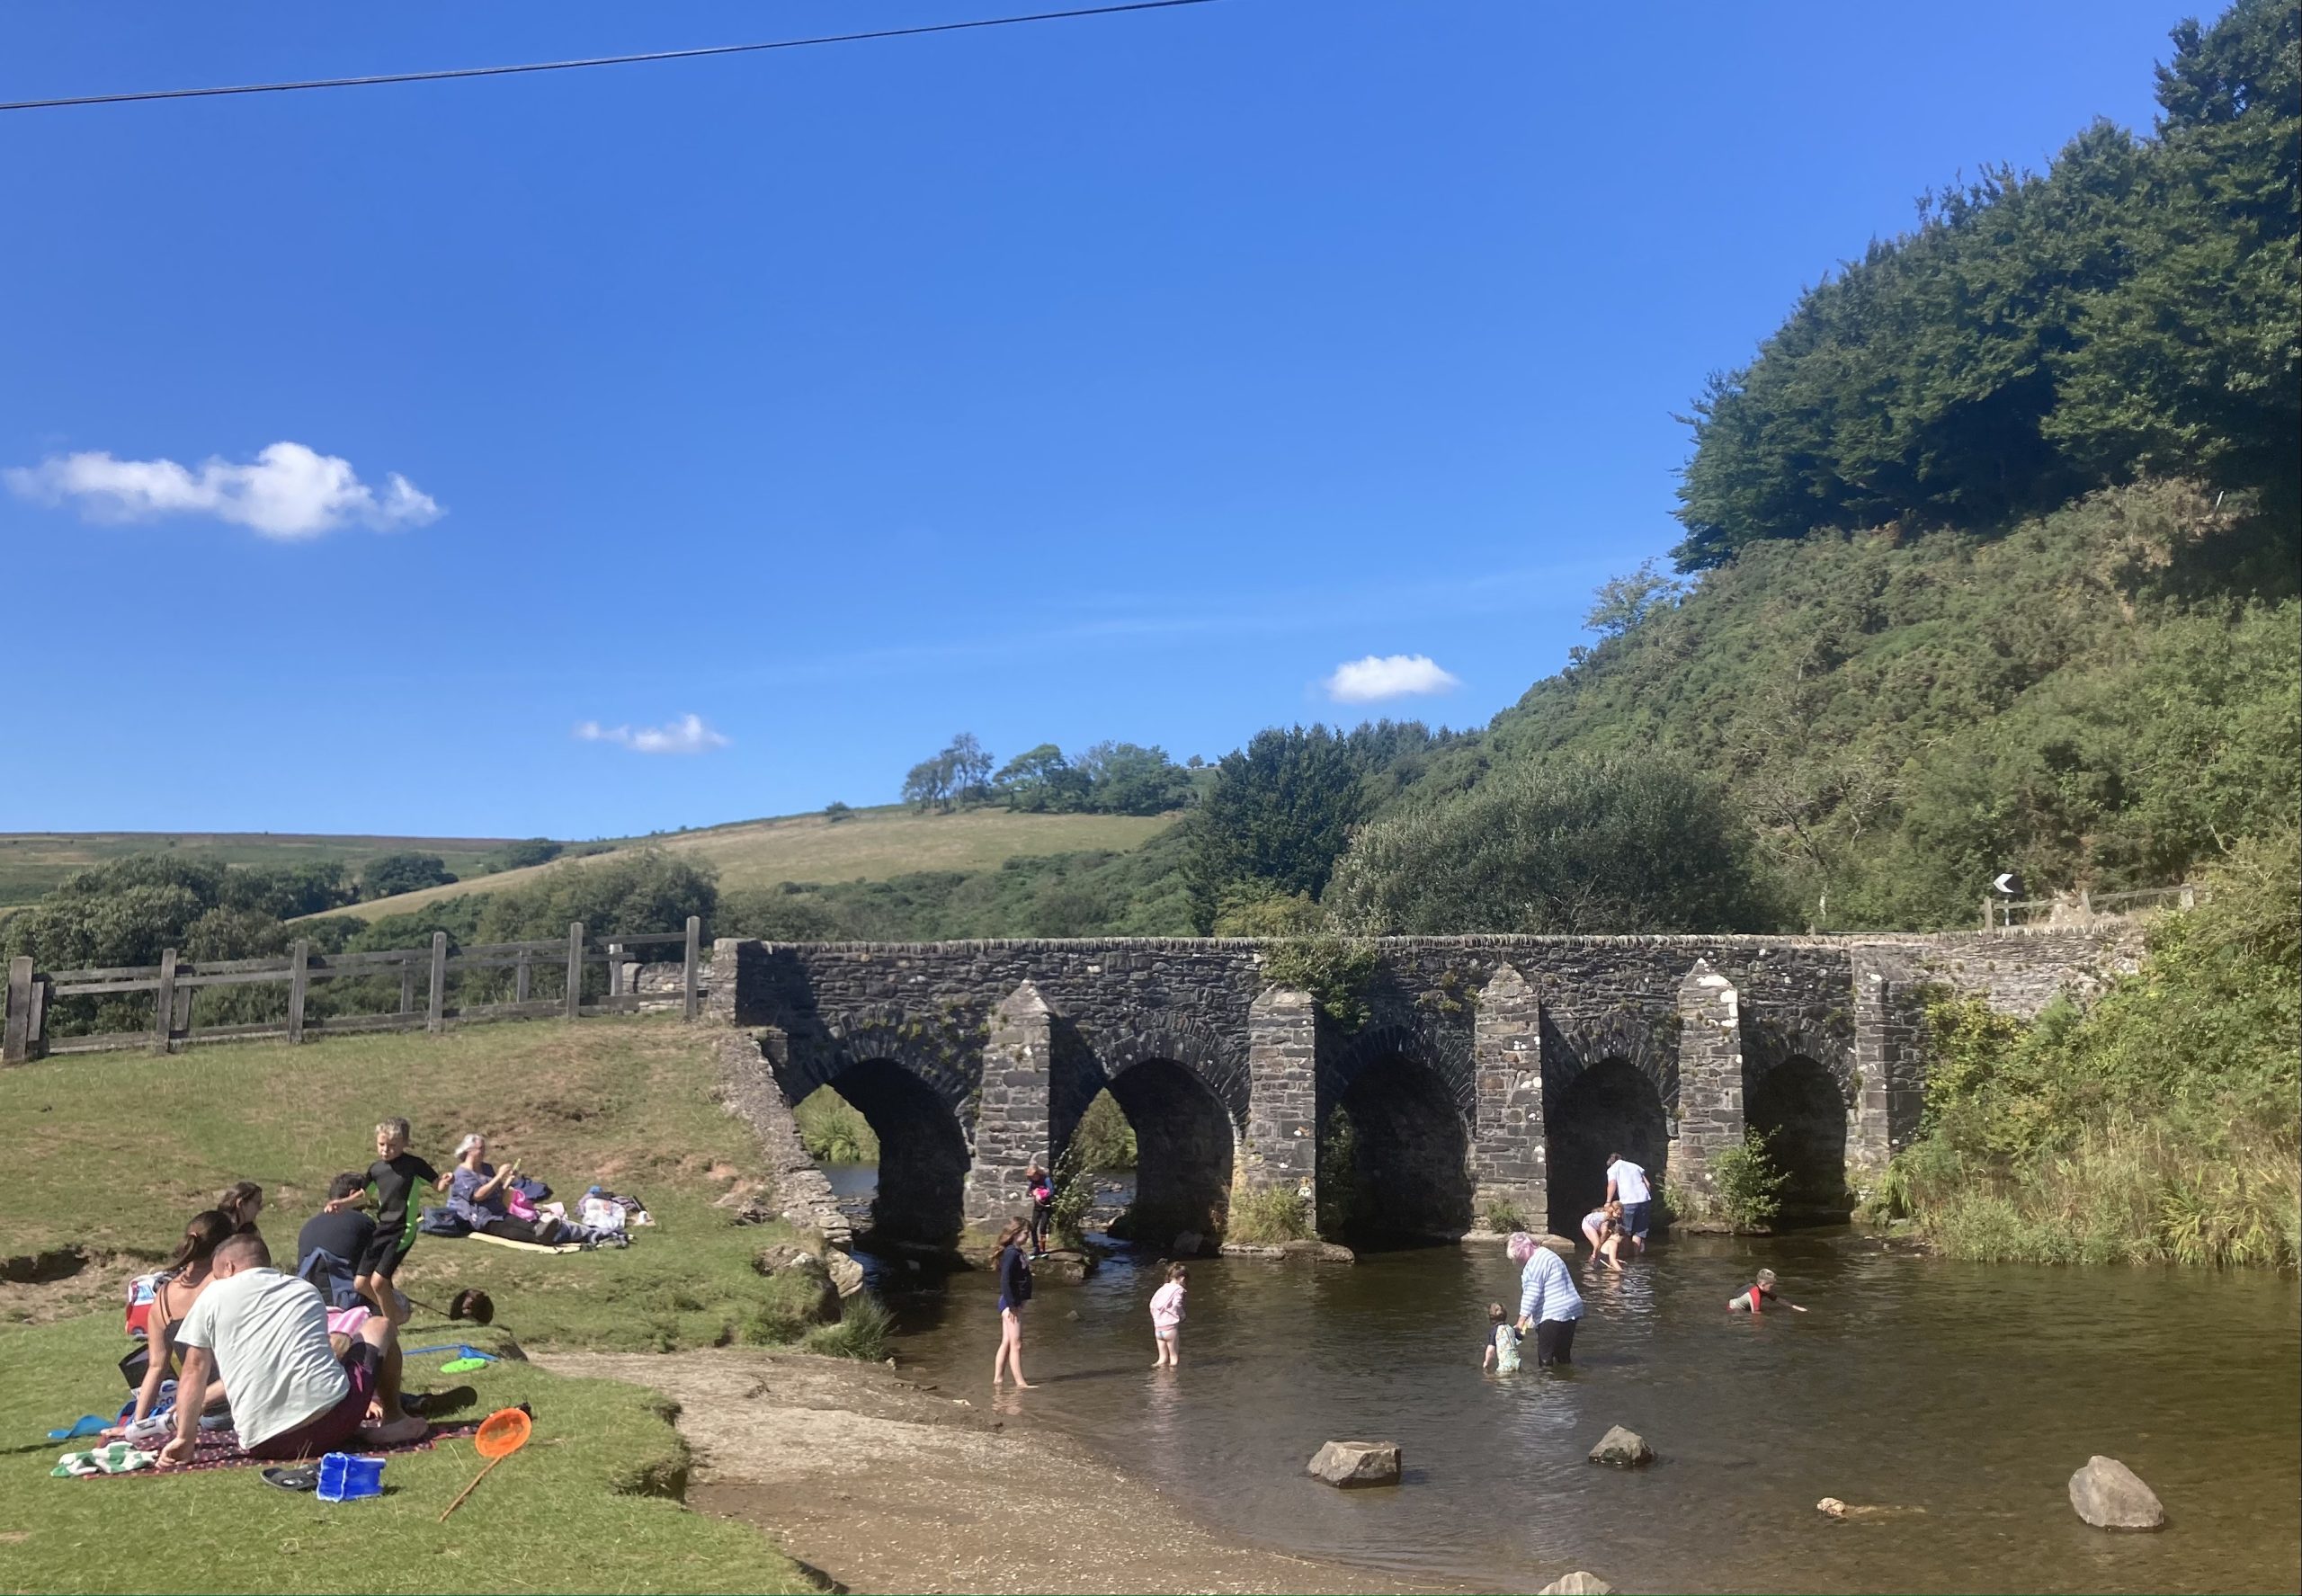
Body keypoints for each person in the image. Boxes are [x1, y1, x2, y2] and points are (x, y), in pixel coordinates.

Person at [159, 1231, 428, 1465]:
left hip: (264, 1443)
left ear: (228, 1267)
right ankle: (393, 1417)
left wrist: (185, 1437)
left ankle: (364, 1432)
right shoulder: (304, 1289)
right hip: (334, 1423)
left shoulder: (213, 1296)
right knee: (380, 1325)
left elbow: (193, 1370)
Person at [118, 1210, 235, 1433]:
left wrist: (137, 1426)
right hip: (242, 1407)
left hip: (202, 1416)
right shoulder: (226, 1283)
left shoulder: (162, 1297)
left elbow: (156, 1367)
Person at [326, 1118, 447, 1325]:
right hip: (383, 1228)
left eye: (392, 1146)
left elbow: (438, 1186)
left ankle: (390, 1327)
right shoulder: (376, 1169)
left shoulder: (414, 1166)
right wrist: (343, 1203)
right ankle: (395, 1313)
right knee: (361, 1283)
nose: (385, 1150)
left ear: (405, 1144)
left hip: (402, 1229)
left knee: (379, 1281)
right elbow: (365, 1195)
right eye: (381, 1145)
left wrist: (446, 1180)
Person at [446, 1133, 623, 1247]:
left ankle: (551, 1233)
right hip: (484, 1220)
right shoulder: (462, 1174)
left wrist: (508, 1180)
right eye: (480, 1149)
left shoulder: (485, 1168)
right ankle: (547, 1237)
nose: (483, 1152)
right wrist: (499, 1176)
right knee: (515, 1233)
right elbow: (478, 1196)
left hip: (500, 1212)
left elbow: (498, 1194)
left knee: (528, 1226)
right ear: (469, 1151)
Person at [1507, 1231, 1584, 1368]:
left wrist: (1520, 1322)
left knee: (1545, 1357)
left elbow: (1532, 1293)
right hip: (1572, 1309)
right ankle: (1566, 1383)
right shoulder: (1547, 1254)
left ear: (1524, 1248)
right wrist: (1532, 1316)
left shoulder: (1534, 1263)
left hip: (1554, 1313)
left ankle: (1546, 1386)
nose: (1517, 1260)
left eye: (1517, 1256)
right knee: (1563, 1355)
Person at [990, 1217, 1034, 1389]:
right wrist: (1012, 1305)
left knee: (1007, 1342)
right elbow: (1005, 1280)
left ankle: (998, 1379)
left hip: (1013, 1303)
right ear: (1015, 1233)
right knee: (1017, 1343)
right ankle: (1020, 1383)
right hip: (1010, 1304)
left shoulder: (1018, 1252)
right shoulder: (1010, 1253)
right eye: (1025, 1233)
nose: (1028, 1236)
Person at [1604, 1152, 1654, 1254]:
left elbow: (1612, 1184)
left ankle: (1626, 1256)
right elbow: (1648, 1185)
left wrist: (1608, 1202)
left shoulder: (1613, 1169)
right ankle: (1636, 1257)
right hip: (1644, 1200)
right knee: (1639, 1232)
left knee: (1625, 1231)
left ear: (1611, 1163)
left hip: (1628, 1202)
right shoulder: (1635, 1166)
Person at [1148, 1262, 1187, 1369]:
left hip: (1158, 1329)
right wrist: (1182, 1315)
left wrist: (1156, 1319)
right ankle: (1173, 1382)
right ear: (1182, 1279)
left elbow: (1152, 1305)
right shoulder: (1178, 1289)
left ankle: (1158, 1380)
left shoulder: (1162, 1289)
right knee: (1174, 1360)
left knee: (1161, 1360)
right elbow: (1177, 1304)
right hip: (1170, 1329)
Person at [1728, 1266, 1808, 1315]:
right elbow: (1756, 1314)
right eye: (1771, 1286)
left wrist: (1795, 1307)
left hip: (1741, 1304)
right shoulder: (1755, 1294)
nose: (1772, 1289)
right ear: (1763, 1284)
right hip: (1734, 1310)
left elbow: (1777, 1299)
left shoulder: (1762, 1289)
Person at [1580, 1200, 1627, 1271]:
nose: (1619, 1216)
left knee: (1603, 1244)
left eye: (1621, 1214)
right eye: (1618, 1214)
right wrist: (1601, 1244)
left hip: (1597, 1225)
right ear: (1613, 1210)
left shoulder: (1612, 1218)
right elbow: (1604, 1234)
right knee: (1597, 1244)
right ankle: (1593, 1260)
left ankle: (1607, 1258)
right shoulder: (1606, 1220)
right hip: (1588, 1224)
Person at [1025, 1161, 1055, 1258]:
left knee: (1042, 1227)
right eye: (1031, 1177)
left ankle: (1043, 1249)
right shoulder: (1033, 1182)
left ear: (1038, 1173)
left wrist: (1041, 1194)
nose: (1033, 1179)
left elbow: (1051, 1191)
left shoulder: (1046, 1179)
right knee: (1033, 1227)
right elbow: (1028, 1192)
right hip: (1037, 1208)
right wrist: (1033, 1193)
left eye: (1034, 1176)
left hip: (1046, 1207)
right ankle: (1035, 1248)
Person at [1480, 1301, 1521, 1373]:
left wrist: (1486, 1362)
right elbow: (1521, 1337)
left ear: (1491, 1318)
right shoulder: (1511, 1329)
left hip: (1505, 1366)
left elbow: (1490, 1350)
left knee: (1493, 1379)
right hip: (1517, 1363)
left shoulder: (1494, 1331)